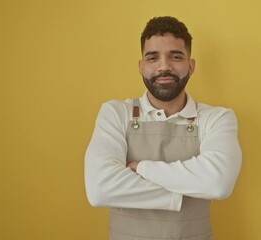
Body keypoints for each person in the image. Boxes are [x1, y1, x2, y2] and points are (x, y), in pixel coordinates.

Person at [84, 16, 242, 240]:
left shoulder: (217, 118)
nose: (164, 66)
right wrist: (183, 192)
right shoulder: (116, 113)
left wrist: (141, 168)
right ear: (141, 67)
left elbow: (218, 184)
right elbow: (100, 189)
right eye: (152, 57)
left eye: (176, 56)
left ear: (191, 65)